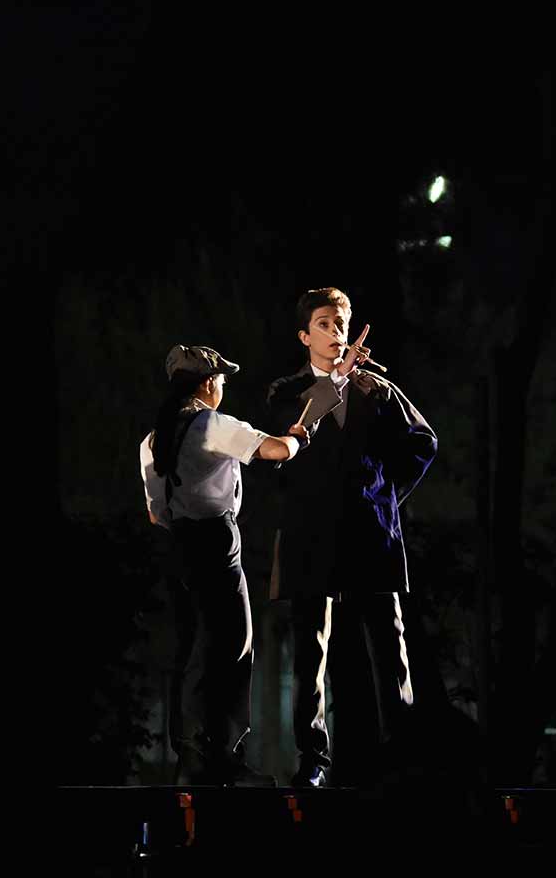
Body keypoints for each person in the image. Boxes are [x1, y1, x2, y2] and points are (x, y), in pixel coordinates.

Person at [266, 288, 437, 788]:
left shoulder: (376, 388)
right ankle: (312, 759)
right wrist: (336, 383)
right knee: (309, 651)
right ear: (304, 335)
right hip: (310, 534)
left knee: (389, 644)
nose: (336, 330)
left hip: (369, 532)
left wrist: (385, 498)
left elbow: (423, 443)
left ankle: (402, 754)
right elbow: (282, 444)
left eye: (341, 321)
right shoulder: (285, 392)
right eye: (324, 323)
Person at [139, 344, 309, 785]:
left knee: (193, 644)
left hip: (176, 545)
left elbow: (156, 512)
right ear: (206, 383)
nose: (223, 386)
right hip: (215, 539)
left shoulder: (154, 438)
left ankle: (191, 754)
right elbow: (275, 451)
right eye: (221, 379)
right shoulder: (210, 425)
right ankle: (220, 750)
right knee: (234, 643)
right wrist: (299, 435)